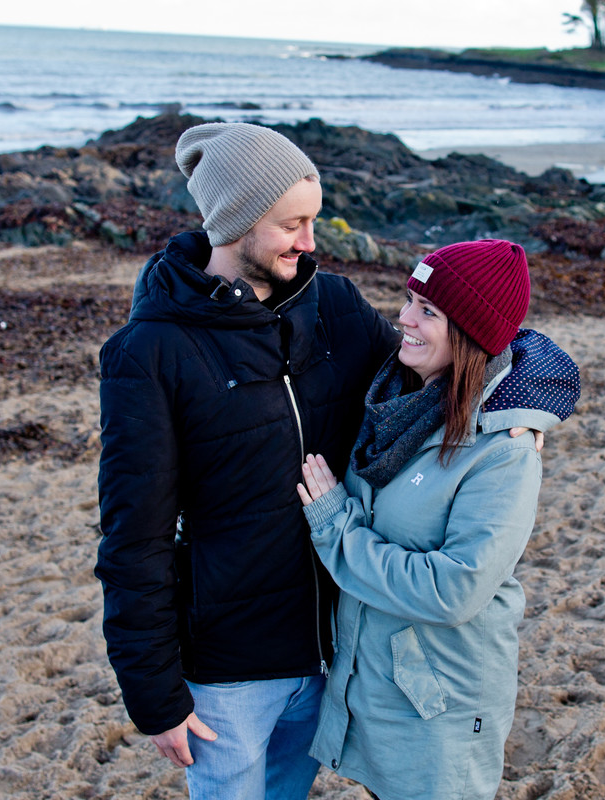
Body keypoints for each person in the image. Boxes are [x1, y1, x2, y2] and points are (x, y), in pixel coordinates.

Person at [94, 123, 557, 800]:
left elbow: (455, 355)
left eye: (313, 220)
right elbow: (132, 539)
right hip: (230, 668)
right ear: (237, 220)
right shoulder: (149, 353)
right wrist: (153, 693)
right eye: (293, 224)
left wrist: (522, 408)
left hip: (330, 652)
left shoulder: (333, 307)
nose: (311, 241)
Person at [297, 239, 580, 800]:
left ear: (470, 334)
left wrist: (336, 527)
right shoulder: (396, 400)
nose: (403, 319)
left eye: (428, 311)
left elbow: (452, 590)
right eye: (408, 299)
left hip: (440, 706)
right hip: (377, 690)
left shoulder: (503, 451)